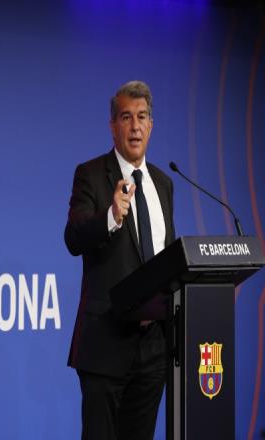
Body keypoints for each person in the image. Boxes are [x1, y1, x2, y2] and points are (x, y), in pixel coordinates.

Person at [64, 80, 175, 440]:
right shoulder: (91, 175)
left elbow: (167, 258)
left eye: (142, 117)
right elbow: (74, 237)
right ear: (113, 126)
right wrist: (111, 216)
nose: (135, 126)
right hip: (106, 344)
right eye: (126, 117)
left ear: (151, 125)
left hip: (154, 346)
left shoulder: (163, 183)